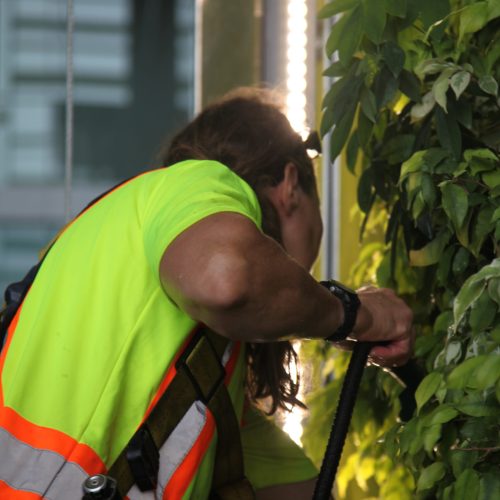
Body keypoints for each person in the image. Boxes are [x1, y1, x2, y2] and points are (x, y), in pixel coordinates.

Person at [0, 88, 413, 499]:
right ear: (290, 185)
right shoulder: (194, 181)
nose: (296, 281)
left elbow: (301, 490)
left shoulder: (207, 390)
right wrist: (352, 314)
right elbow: (227, 279)